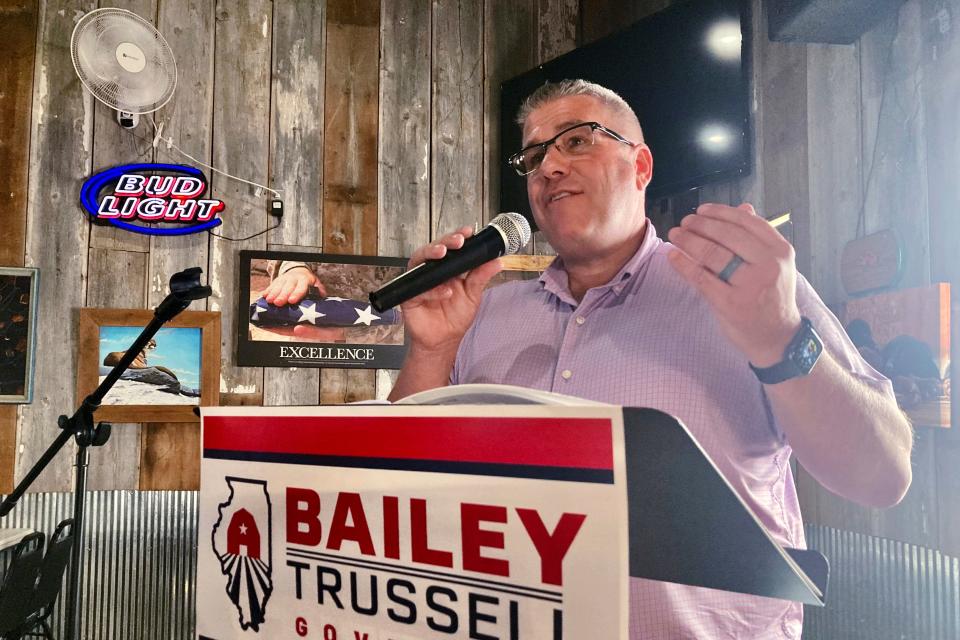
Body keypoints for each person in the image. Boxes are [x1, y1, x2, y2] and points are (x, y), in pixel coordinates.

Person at [388, 79, 913, 639]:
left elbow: (882, 477)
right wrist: (434, 348)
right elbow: (393, 487)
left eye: (577, 141)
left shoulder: (743, 289)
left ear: (640, 167)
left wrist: (779, 339)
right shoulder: (486, 313)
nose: (548, 168)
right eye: (534, 156)